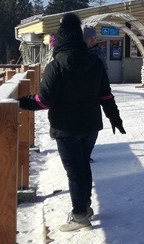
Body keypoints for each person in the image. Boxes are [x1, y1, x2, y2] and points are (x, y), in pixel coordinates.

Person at [19, 13, 125, 231]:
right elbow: (106, 95)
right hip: (90, 126)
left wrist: (20, 102)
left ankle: (79, 215)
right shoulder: (95, 62)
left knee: (75, 172)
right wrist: (115, 118)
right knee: (83, 165)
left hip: (66, 128)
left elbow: (43, 101)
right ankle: (84, 207)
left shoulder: (56, 65)